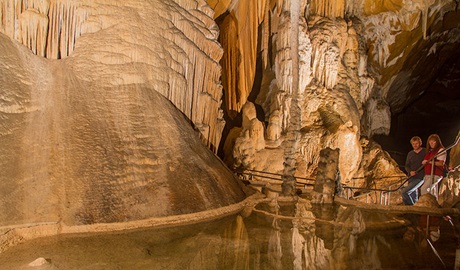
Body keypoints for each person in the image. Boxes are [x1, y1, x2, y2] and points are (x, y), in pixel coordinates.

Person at [420, 134, 446, 199]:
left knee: (424, 189)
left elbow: (441, 163)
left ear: (437, 142)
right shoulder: (430, 151)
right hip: (428, 174)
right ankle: (434, 206)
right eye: (430, 141)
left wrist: (429, 162)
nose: (431, 143)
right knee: (432, 192)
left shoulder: (441, 150)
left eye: (433, 141)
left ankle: (426, 204)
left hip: (435, 174)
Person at [402, 136, 426, 205]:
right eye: (413, 144)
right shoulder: (410, 154)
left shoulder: (425, 151)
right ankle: (414, 211)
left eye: (416, 143)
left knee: (405, 192)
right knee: (413, 195)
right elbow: (407, 165)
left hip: (420, 177)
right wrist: (410, 171)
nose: (415, 145)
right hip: (411, 177)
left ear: (420, 143)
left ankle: (410, 208)